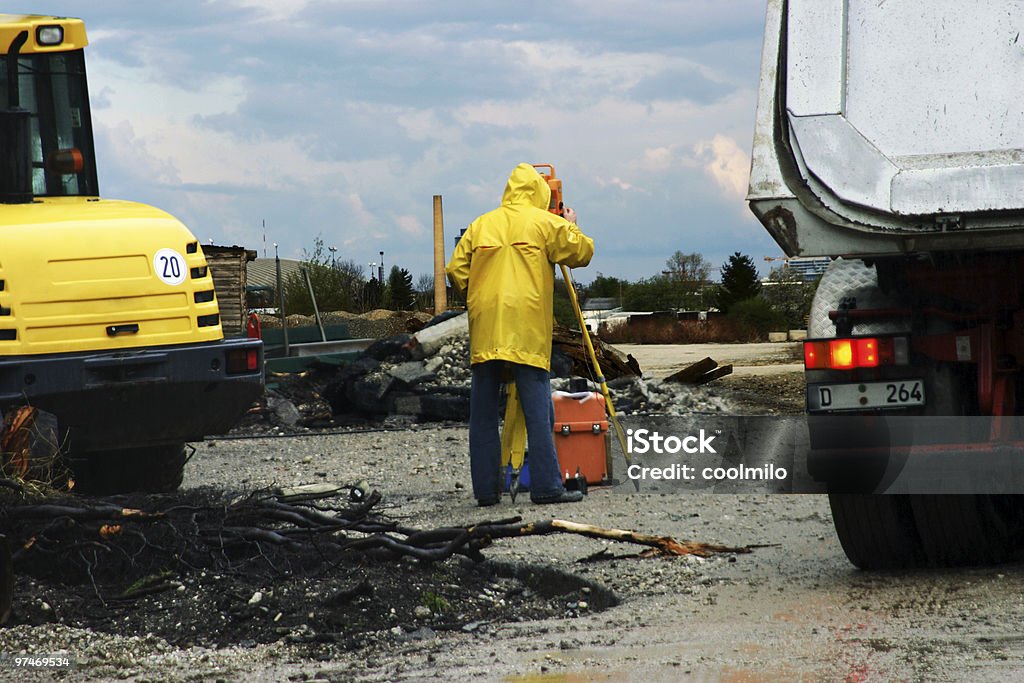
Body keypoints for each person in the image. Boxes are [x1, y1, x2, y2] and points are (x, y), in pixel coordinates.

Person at [446, 163, 595, 506]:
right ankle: (547, 487)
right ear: (542, 193)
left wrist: (482, 289)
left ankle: (486, 493)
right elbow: (582, 252)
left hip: (487, 325)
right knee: (537, 409)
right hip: (525, 325)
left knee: (482, 414)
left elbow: (455, 271)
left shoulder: (481, 224)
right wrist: (569, 225)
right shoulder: (545, 222)